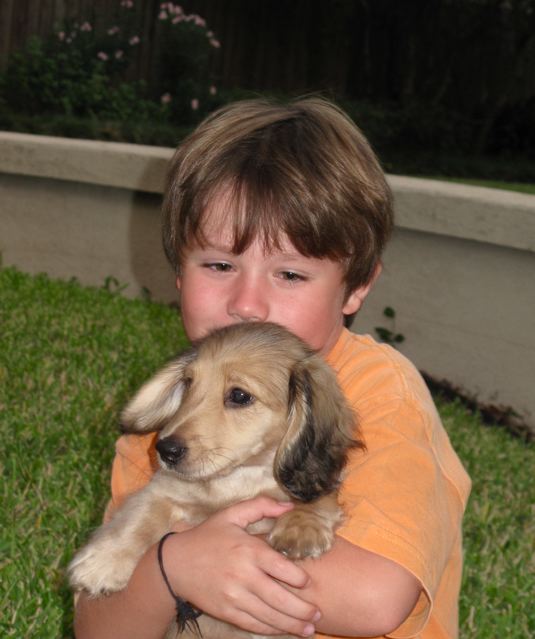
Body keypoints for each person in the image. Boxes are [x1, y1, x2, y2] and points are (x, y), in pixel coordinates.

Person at [73, 97, 471, 639]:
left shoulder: (382, 394)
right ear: (178, 275)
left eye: (289, 275)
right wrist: (172, 567)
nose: (247, 304)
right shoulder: (170, 426)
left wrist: (218, 562)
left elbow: (376, 600)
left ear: (356, 286)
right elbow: (101, 628)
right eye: (219, 264)